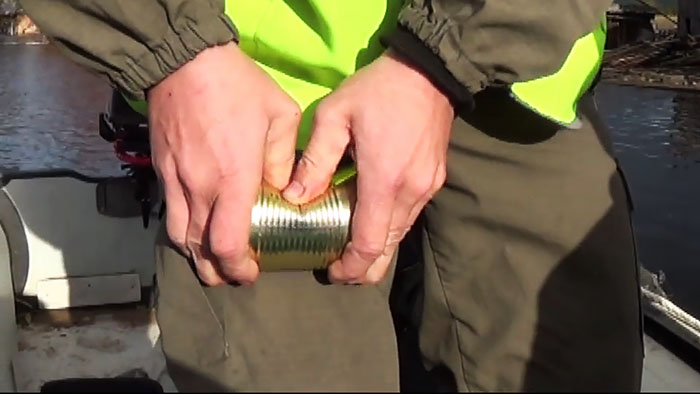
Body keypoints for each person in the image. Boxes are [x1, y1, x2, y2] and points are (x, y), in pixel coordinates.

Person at [19, 0, 643, 391]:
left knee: (570, 366)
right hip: (257, 103)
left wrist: (444, 59)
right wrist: (170, 48)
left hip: (519, 79)